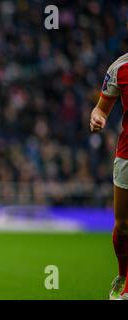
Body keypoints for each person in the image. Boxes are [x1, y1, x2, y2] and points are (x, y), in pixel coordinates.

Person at [90, 52, 128, 300]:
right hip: (127, 155)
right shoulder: (120, 68)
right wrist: (98, 117)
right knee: (123, 226)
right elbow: (101, 109)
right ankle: (123, 274)